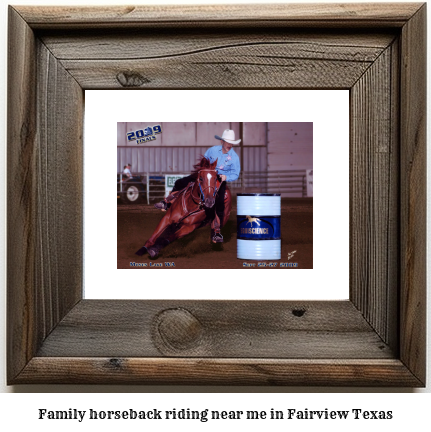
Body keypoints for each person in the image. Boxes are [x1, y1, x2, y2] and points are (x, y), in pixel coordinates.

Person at [154, 129, 241, 243]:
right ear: (222, 141)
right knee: (180, 182)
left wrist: (226, 177)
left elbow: (235, 173)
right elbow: (203, 162)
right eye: (227, 142)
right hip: (205, 177)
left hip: (219, 180)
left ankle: (216, 231)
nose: (229, 145)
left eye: (231, 143)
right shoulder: (212, 150)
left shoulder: (234, 157)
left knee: (220, 203)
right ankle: (167, 203)